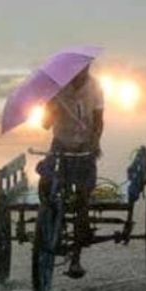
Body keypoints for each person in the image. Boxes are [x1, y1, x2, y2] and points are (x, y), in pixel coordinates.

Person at [37, 64, 104, 279]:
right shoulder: (57, 89)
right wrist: (52, 108)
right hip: (61, 144)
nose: (79, 75)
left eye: (83, 71)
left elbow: (99, 121)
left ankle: (76, 258)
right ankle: (51, 219)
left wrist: (94, 143)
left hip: (85, 147)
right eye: (74, 72)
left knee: (82, 200)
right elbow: (45, 124)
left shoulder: (95, 88)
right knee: (46, 183)